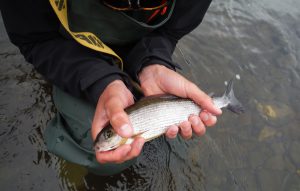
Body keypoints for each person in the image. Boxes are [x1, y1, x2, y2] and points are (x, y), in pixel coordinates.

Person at [0, 0, 222, 175]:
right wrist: (101, 82)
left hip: (140, 41)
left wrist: (154, 62)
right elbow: (36, 38)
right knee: (95, 146)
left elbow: (169, 31)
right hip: (70, 49)